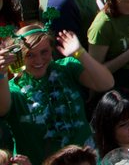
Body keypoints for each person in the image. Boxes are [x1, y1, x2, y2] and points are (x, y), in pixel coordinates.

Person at [0, 24, 115, 165]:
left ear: (52, 50)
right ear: (20, 56)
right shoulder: (13, 89)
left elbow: (106, 83)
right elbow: (2, 109)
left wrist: (79, 52)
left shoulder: (66, 68)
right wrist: (2, 73)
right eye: (30, 55)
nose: (39, 60)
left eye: (44, 52)